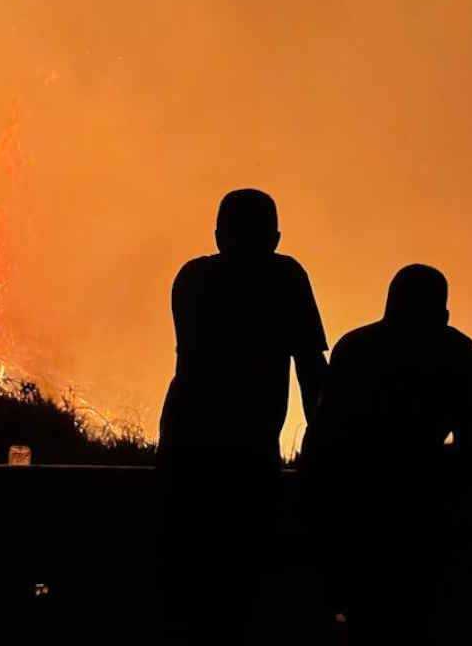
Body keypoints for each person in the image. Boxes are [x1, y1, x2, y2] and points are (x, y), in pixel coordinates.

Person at [156, 188, 328, 644]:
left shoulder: (192, 277)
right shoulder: (286, 278)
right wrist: (328, 444)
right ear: (275, 237)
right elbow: (311, 369)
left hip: (185, 441)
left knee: (187, 578)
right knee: (244, 581)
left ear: (217, 235)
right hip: (249, 448)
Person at [301, 263, 472, 644]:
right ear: (444, 314)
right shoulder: (460, 353)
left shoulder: (356, 348)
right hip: (421, 524)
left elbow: (321, 445)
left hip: (357, 516)